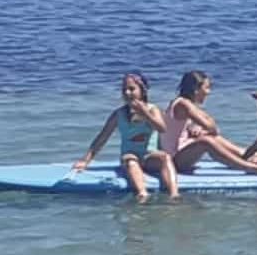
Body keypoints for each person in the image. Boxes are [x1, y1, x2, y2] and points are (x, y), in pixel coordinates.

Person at [160, 70, 257, 179]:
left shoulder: (185, 104)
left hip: (182, 151)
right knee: (207, 141)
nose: (208, 92)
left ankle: (254, 157)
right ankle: (256, 168)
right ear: (196, 89)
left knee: (212, 138)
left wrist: (195, 128)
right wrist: (203, 126)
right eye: (206, 88)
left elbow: (185, 128)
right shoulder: (184, 104)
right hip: (174, 160)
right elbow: (212, 128)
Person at [73, 72, 179, 200]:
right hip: (130, 156)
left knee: (165, 157)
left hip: (149, 156)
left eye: (132, 89)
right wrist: (85, 161)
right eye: (124, 90)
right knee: (131, 161)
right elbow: (102, 138)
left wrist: (145, 113)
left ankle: (174, 194)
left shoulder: (152, 110)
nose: (127, 93)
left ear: (143, 90)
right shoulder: (119, 114)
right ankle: (142, 193)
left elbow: (162, 128)